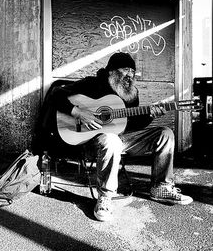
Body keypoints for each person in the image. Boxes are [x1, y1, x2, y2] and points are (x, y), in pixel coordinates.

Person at [41, 52, 193, 222]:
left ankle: (161, 187)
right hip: (92, 142)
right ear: (112, 71)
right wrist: (78, 112)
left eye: (132, 72)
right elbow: (55, 94)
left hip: (122, 139)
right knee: (111, 139)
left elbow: (131, 125)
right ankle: (105, 197)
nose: (130, 75)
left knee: (165, 133)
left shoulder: (131, 93)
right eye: (125, 70)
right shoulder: (92, 84)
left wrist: (151, 115)